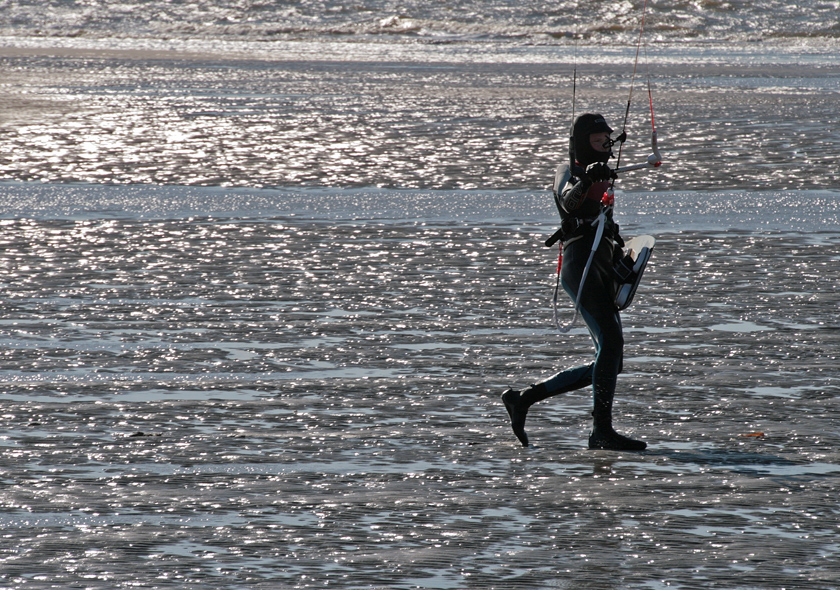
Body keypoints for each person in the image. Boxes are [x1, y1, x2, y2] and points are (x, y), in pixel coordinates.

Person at [501, 113, 646, 451]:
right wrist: (588, 182)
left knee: (612, 358)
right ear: (582, 144)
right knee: (610, 347)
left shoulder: (605, 176)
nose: (605, 147)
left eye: (607, 141)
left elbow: (605, 224)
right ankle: (601, 431)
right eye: (598, 142)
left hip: (603, 269)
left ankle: (523, 399)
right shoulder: (568, 173)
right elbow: (569, 200)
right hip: (580, 267)